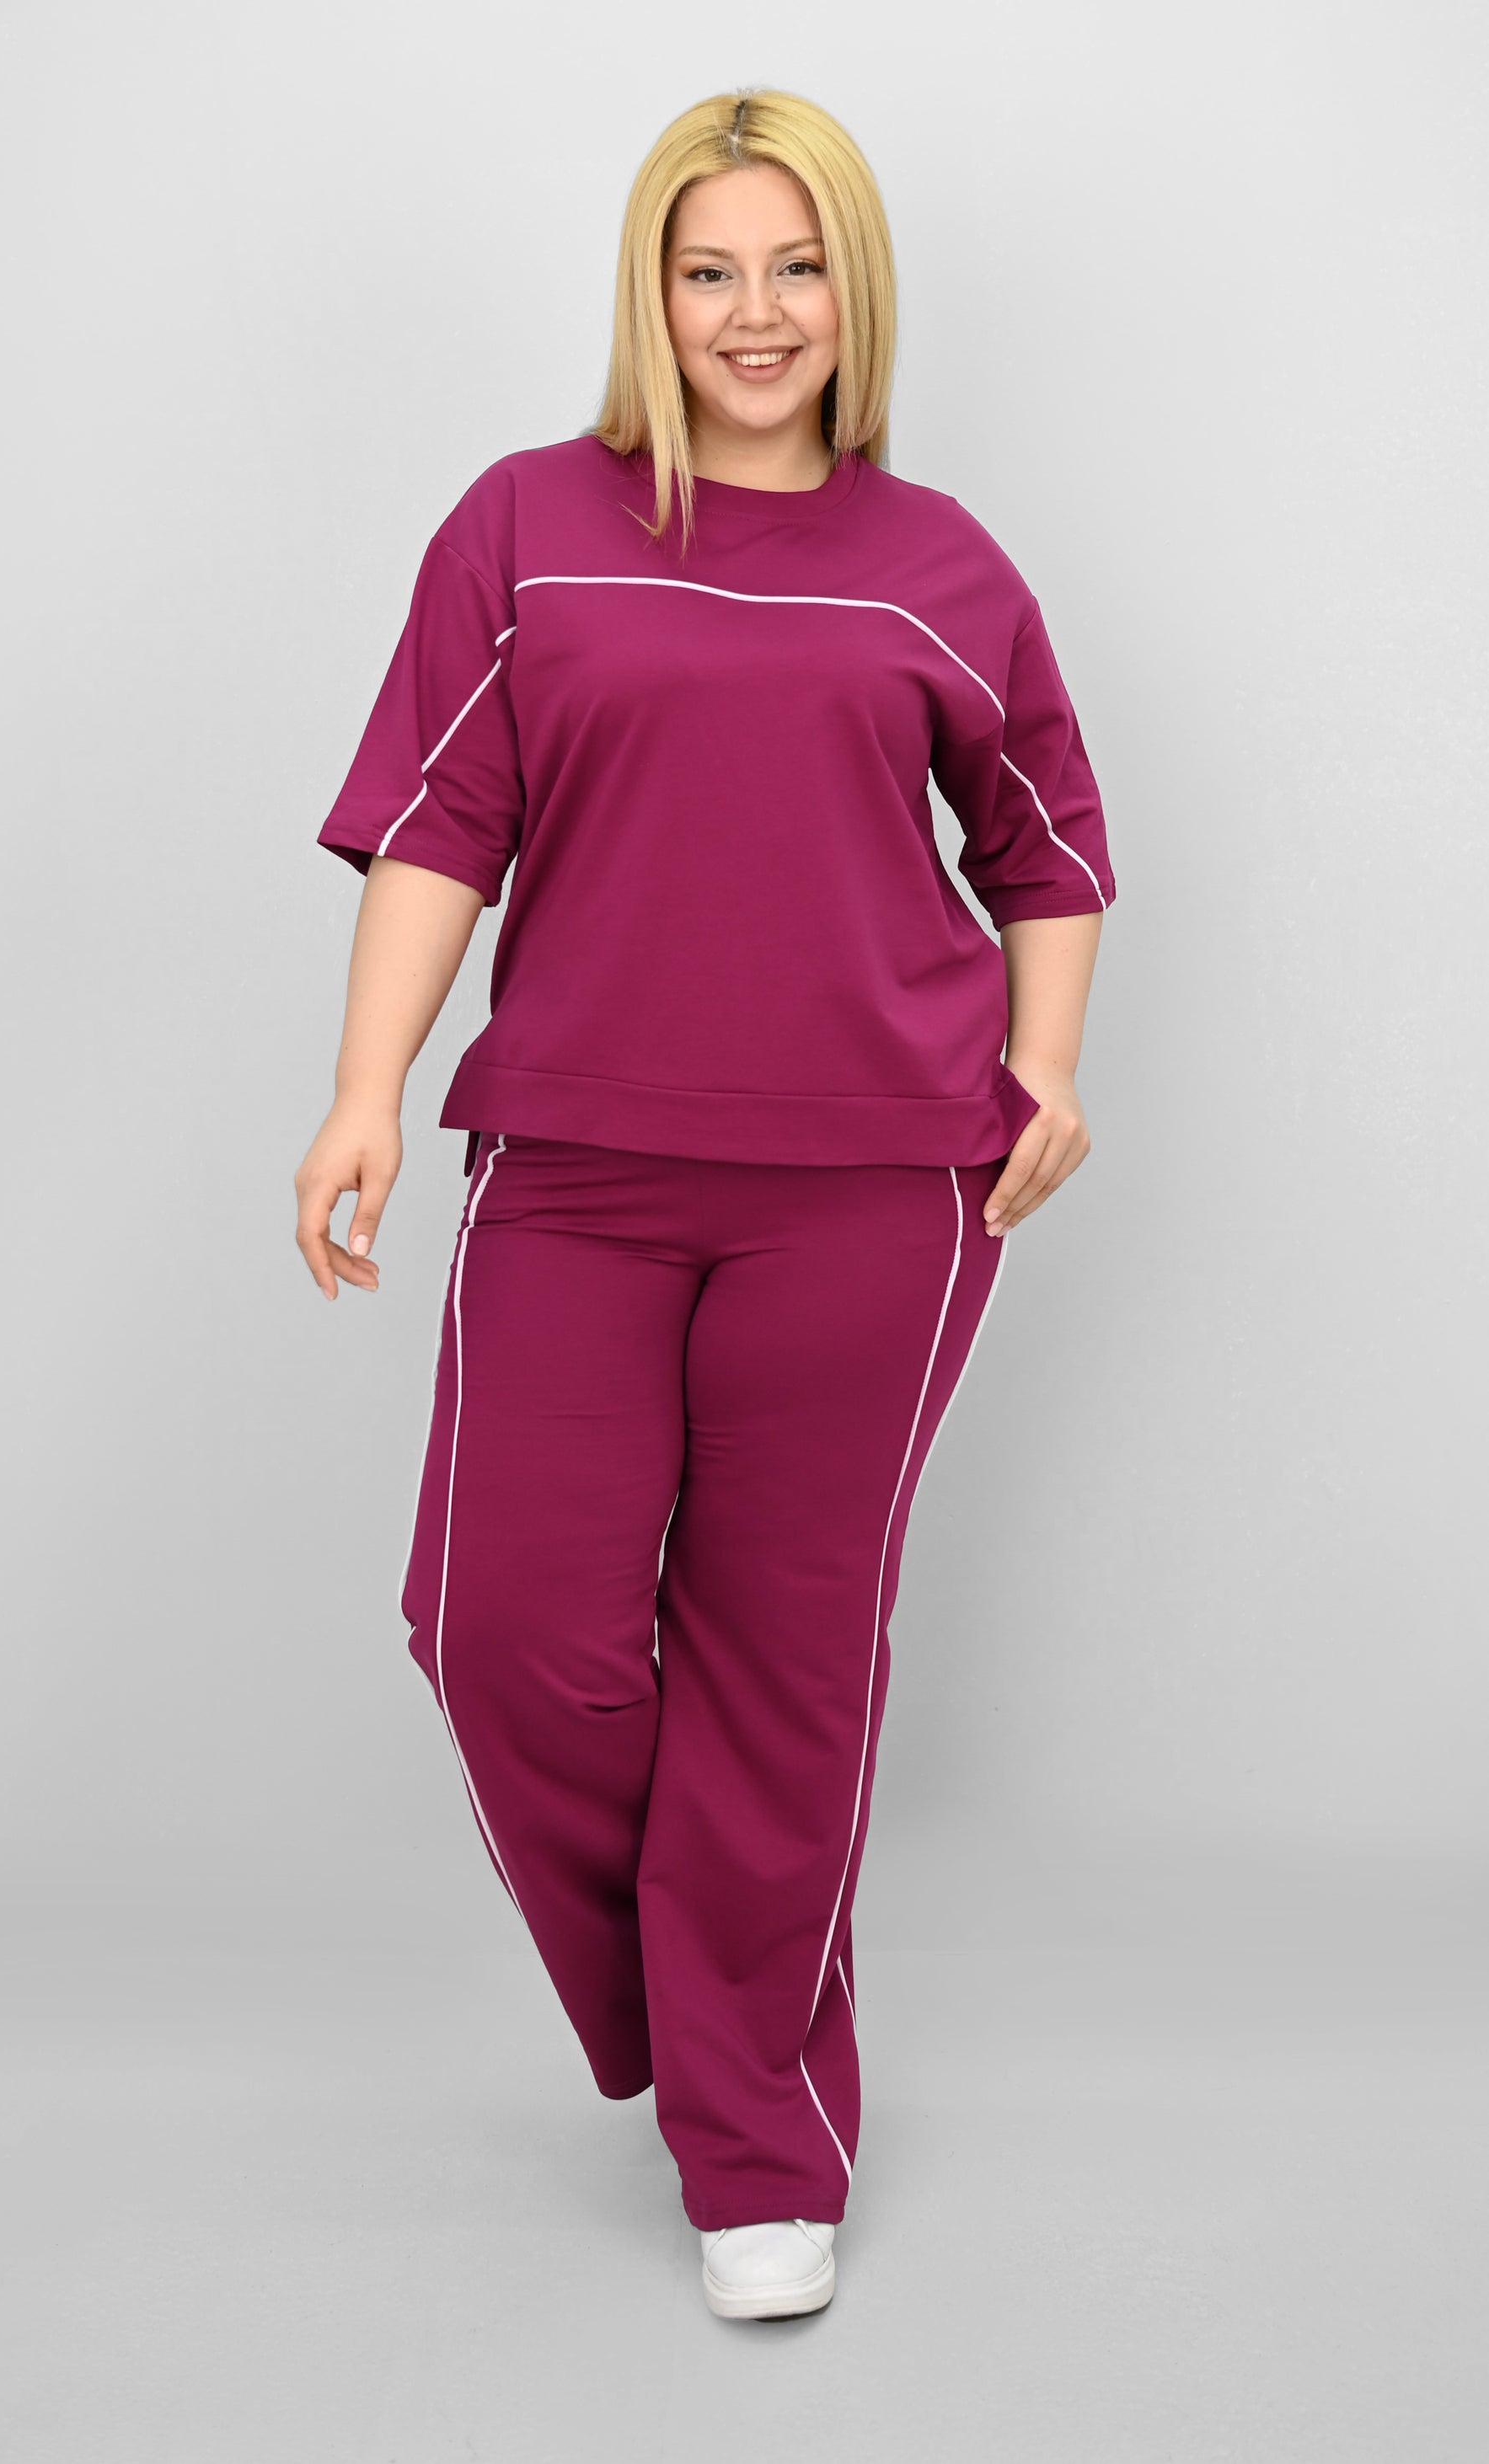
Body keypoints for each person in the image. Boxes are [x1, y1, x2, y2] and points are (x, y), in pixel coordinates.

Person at [293, 86, 1115, 2322]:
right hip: (575, 1165)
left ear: (855, 290)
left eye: (797, 265)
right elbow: (440, 823)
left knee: (781, 1668)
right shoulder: (527, 525)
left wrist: (1045, 1068)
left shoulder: (943, 563)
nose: (756, 314)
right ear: (650, 296)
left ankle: (756, 2152)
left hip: (877, 1186)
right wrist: (365, 1091)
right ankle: (712, 1999)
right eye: (709, 269)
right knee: (504, 1631)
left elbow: (1045, 840)